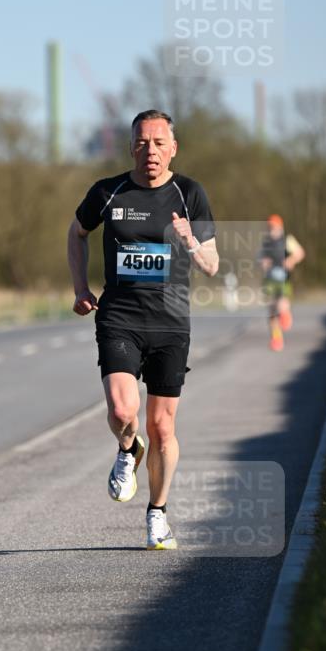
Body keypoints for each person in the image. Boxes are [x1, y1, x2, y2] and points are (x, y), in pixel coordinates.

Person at [67, 110, 219, 550]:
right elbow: (77, 233)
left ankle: (157, 514)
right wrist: (80, 287)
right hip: (120, 317)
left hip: (170, 323)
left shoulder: (190, 193)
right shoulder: (108, 191)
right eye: (141, 142)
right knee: (121, 411)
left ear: (173, 148)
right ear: (131, 146)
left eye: (158, 143)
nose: (150, 150)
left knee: (163, 429)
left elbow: (211, 265)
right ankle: (127, 448)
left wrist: (190, 241)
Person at [259, 215, 305, 351]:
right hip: (269, 279)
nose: (272, 230)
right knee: (272, 310)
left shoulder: (287, 240)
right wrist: (263, 263)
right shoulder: (266, 243)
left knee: (281, 302)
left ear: (280, 227)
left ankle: (285, 315)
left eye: (274, 227)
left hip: (283, 278)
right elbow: (261, 258)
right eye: (270, 227)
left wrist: (291, 260)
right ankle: (276, 338)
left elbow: (300, 253)